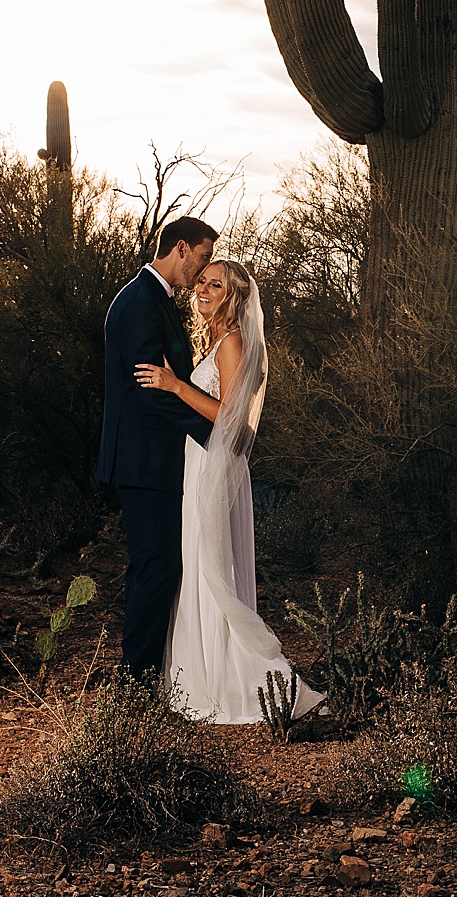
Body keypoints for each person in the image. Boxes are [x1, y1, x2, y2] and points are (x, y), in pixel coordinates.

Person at [138, 258, 326, 724]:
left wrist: (175, 385)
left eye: (215, 284)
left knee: (211, 571)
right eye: (201, 280)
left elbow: (230, 417)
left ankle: (248, 683)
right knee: (200, 567)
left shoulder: (234, 343)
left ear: (235, 296)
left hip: (213, 468)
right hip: (202, 463)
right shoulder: (220, 340)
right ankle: (200, 676)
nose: (202, 288)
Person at [97, 216, 218, 684]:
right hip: (144, 460)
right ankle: (135, 685)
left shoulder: (156, 301)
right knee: (157, 569)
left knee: (157, 567)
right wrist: (212, 433)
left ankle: (144, 678)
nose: (202, 270)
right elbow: (150, 389)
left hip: (157, 460)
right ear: (182, 248)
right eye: (203, 258)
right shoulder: (139, 303)